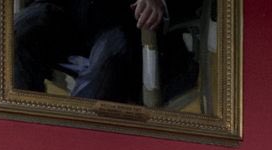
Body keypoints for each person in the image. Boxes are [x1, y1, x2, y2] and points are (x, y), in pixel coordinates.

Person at [13, 0, 201, 106]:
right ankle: (23, 133)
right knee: (15, 33)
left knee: (110, 57)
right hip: (71, 18)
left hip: (130, 30)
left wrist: (161, 2)